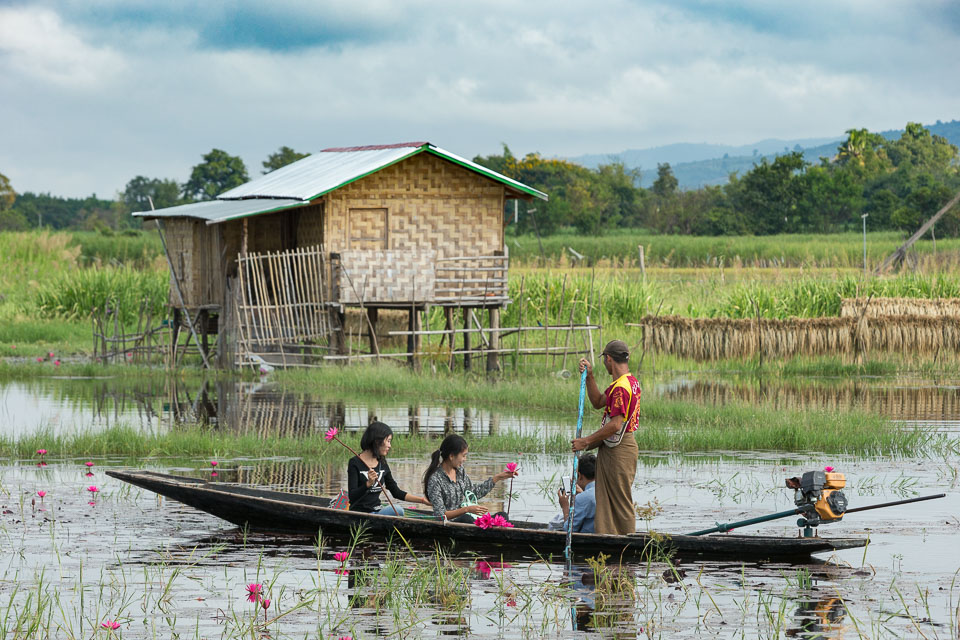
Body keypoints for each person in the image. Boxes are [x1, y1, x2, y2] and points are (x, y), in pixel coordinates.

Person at [572, 340, 641, 535]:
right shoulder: (628, 382)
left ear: (609, 359)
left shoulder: (621, 388)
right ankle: (611, 537)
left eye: (605, 360)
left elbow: (615, 424)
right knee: (609, 499)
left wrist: (586, 441)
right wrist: (590, 376)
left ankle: (627, 544)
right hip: (616, 447)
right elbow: (597, 402)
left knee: (620, 500)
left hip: (620, 448)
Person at [423, 434, 518, 523]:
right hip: (449, 524)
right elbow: (440, 516)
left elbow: (474, 493)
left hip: (468, 518)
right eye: (463, 456)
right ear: (451, 456)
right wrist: (466, 509)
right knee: (467, 518)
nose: (465, 459)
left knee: (502, 516)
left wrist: (497, 478)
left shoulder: (460, 471)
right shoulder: (435, 479)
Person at [347, 421, 429, 516]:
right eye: (388, 441)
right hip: (361, 514)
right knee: (398, 510)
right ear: (377, 441)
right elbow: (352, 496)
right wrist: (368, 484)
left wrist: (423, 500)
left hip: (378, 511)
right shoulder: (355, 462)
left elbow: (396, 492)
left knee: (398, 510)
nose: (389, 446)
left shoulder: (382, 462)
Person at [548, 453, 597, 533]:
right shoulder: (606, 490)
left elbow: (568, 530)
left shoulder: (583, 498)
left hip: (587, 542)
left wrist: (565, 507)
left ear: (579, 476)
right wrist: (583, 493)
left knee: (553, 523)